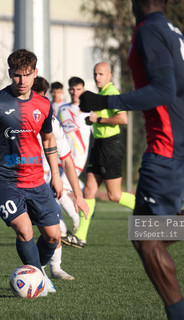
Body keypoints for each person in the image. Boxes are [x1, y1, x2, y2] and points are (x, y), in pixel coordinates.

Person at [0, 49, 87, 296]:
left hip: (36, 180)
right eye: (16, 76)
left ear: (35, 73)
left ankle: (38, 270)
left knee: (54, 237)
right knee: (24, 229)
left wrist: (55, 176)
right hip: (3, 180)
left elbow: (48, 140)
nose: (21, 81)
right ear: (9, 73)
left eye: (26, 75)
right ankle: (39, 279)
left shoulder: (43, 104)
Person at [79, 1, 184, 318]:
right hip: (175, 140)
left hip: (167, 146)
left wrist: (105, 100)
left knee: (146, 237)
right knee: (144, 235)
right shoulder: (171, 30)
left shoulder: (150, 30)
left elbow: (163, 91)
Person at [64, 63, 136, 249]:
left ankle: (152, 214)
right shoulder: (99, 95)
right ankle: (80, 236)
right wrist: (92, 120)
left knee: (114, 195)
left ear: (110, 75)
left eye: (101, 74)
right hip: (98, 146)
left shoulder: (112, 93)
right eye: (95, 74)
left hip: (111, 147)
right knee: (88, 191)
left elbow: (123, 119)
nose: (97, 77)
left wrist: (99, 119)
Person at [57, 77, 92, 241]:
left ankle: (76, 220)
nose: (74, 92)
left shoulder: (89, 109)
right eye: (72, 89)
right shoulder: (62, 109)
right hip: (61, 158)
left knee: (60, 192)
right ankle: (62, 230)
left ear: (83, 90)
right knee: (53, 192)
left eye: (78, 89)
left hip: (77, 159)